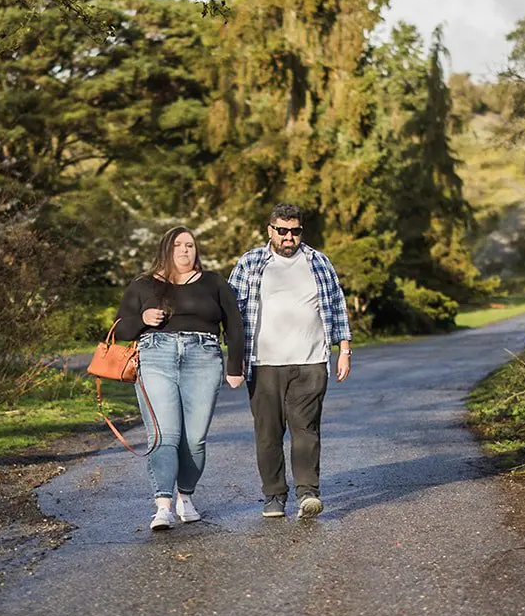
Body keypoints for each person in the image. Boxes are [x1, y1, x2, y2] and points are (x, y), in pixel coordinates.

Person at [113, 226, 245, 530]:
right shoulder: (143, 285)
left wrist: (234, 367)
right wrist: (142, 320)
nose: (185, 250)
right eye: (178, 245)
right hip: (156, 357)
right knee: (164, 434)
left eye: (190, 245)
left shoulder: (213, 282)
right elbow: (120, 329)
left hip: (204, 357)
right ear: (166, 250)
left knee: (194, 438)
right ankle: (163, 506)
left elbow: (234, 326)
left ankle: (185, 497)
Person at [228, 203, 352, 519]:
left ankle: (308, 493)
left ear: (301, 231)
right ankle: (273, 495)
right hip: (264, 363)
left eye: (294, 231)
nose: (288, 237)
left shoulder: (319, 262)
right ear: (270, 230)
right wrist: (234, 359)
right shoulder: (251, 263)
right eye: (282, 231)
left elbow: (337, 305)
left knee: (305, 430)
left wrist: (344, 349)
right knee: (268, 433)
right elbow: (232, 314)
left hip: (310, 361)